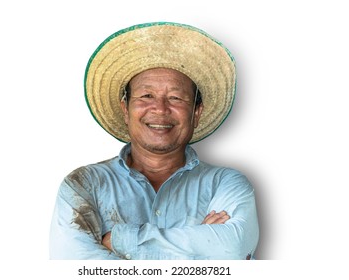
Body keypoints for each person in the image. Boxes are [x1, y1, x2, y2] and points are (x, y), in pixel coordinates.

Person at [49, 22, 259, 260]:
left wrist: (119, 240)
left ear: (196, 113)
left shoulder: (226, 184)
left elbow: (233, 249)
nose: (160, 109)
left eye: (176, 97)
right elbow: (75, 268)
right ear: (125, 109)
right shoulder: (84, 185)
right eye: (146, 95)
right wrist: (200, 244)